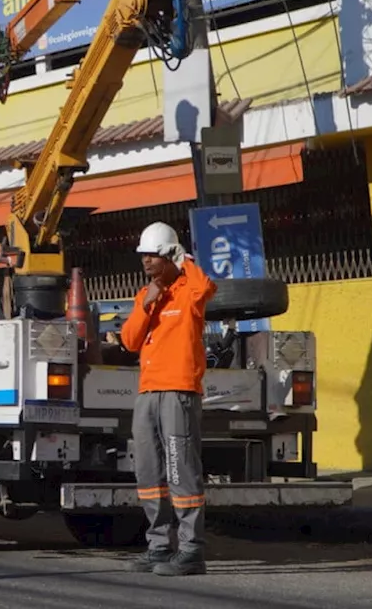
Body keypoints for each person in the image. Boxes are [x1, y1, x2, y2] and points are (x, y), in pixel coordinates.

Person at [117, 221, 217, 577]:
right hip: (148, 394)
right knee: (149, 473)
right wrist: (147, 304)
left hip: (179, 392)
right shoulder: (146, 297)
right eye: (143, 256)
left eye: (153, 256)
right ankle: (158, 548)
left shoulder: (189, 292)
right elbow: (129, 341)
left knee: (182, 472)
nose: (146, 262)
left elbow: (205, 285)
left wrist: (184, 257)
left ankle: (191, 551)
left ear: (170, 256)